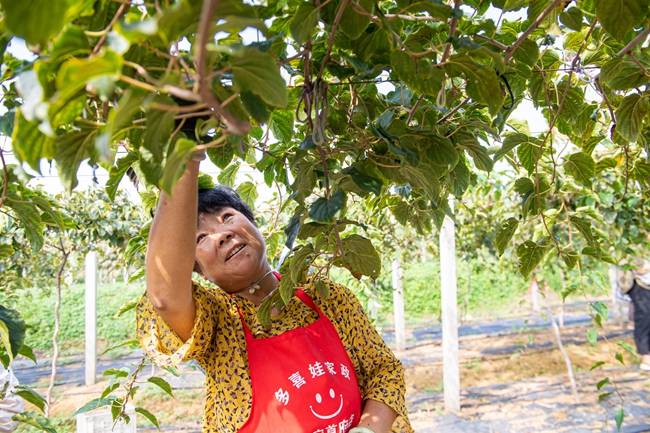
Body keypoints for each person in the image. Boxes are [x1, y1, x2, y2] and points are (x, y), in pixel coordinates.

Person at [135, 153, 412, 433]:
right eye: (201, 238)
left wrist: (368, 429)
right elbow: (165, 298)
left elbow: (383, 371)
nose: (222, 234)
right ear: (198, 272)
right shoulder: (216, 321)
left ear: (254, 223)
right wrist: (185, 160)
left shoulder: (329, 298)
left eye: (227, 217)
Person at [618, 258, 650, 371]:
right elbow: (640, 268)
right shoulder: (634, 246)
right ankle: (645, 357)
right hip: (640, 286)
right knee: (644, 319)